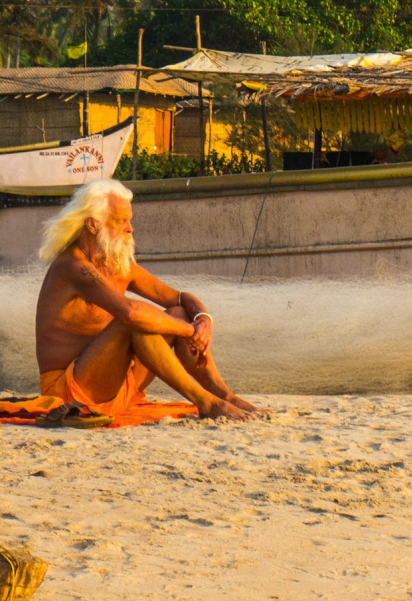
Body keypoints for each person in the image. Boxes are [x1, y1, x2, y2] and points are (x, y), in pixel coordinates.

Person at [35, 178, 262, 422]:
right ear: (92, 225)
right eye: (120, 221)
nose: (130, 228)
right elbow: (131, 313)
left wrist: (203, 320)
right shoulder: (73, 266)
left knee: (177, 312)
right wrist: (190, 331)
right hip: (71, 394)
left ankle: (224, 395)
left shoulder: (116, 265)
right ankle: (206, 402)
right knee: (133, 321)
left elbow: (179, 298)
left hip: (116, 386)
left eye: (129, 220)